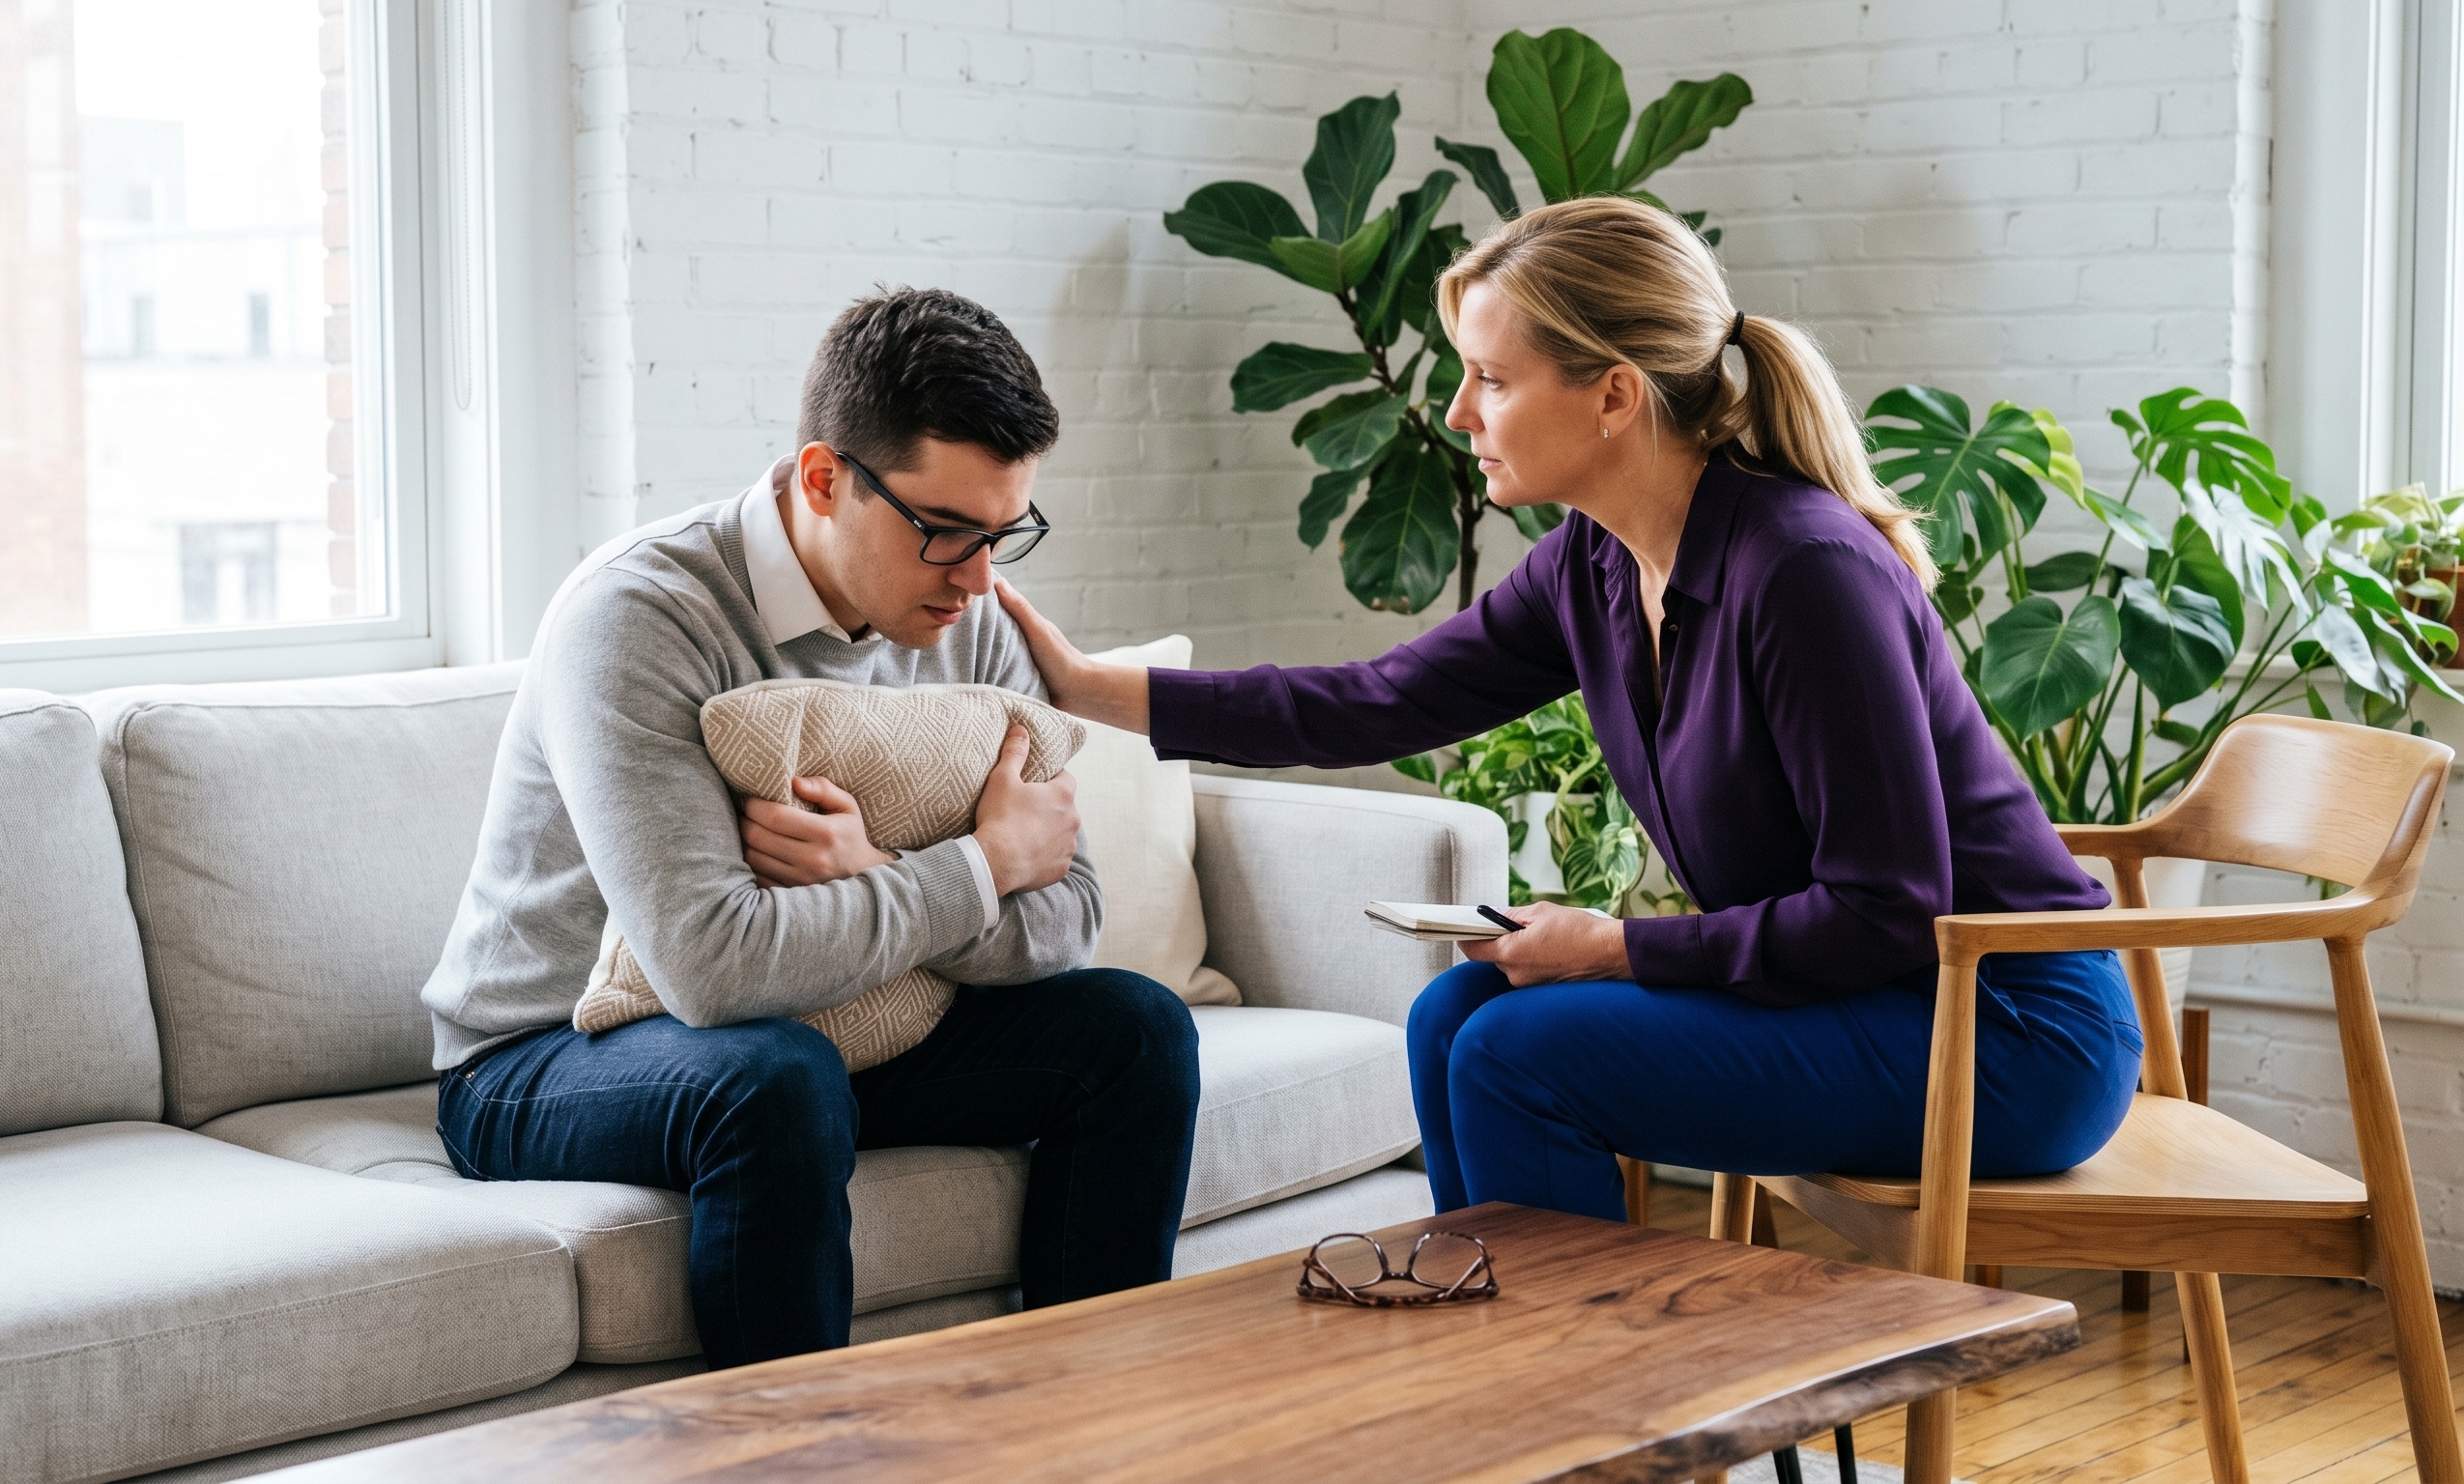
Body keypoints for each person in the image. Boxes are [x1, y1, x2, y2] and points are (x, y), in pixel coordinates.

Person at [995, 197, 2141, 1224]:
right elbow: (1376, 700)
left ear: (1612, 396)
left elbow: (1885, 911)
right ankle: (1514, 1372)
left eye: (1490, 378)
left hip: (2001, 1029)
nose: (1456, 412)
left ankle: (1584, 1427)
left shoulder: (1805, 573)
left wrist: (1619, 947)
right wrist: (1092, 689)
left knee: (1514, 1054)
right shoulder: (1593, 564)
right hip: (1863, 1001)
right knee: (1457, 1016)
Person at [420, 287, 1200, 1368]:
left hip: (846, 1025)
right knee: (773, 1076)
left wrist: (880, 870)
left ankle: (1079, 1429)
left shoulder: (962, 621)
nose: (977, 581)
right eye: (944, 532)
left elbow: (1071, 916)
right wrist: (979, 867)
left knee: (1135, 1031)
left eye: (1001, 534)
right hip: (542, 1055)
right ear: (826, 479)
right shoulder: (642, 615)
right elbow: (711, 969)